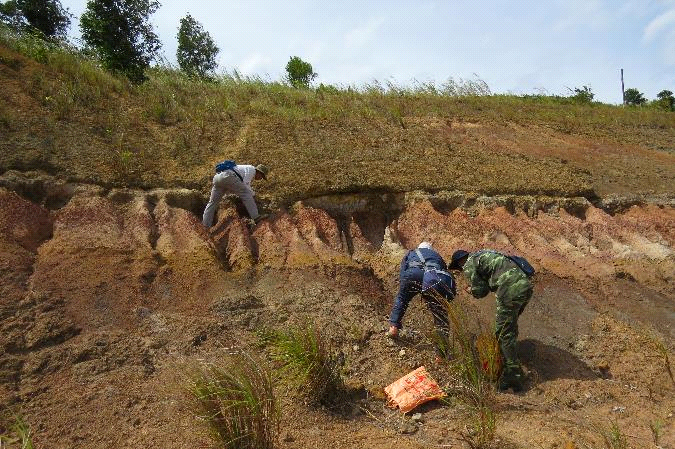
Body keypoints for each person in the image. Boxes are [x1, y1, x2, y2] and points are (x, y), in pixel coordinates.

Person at [448, 249, 534, 392]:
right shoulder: (483, 255)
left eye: (459, 268)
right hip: (525, 286)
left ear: (459, 263)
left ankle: (513, 375)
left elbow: (480, 291)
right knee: (509, 327)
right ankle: (512, 368)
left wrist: (471, 290)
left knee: (503, 331)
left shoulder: (469, 263)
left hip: (509, 289)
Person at [387, 242, 456, 357]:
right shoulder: (437, 255)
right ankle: (441, 354)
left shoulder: (412, 253)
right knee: (440, 315)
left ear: (420, 248)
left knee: (402, 299)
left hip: (413, 274)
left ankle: (393, 327)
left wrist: (405, 287)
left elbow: (403, 270)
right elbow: (444, 272)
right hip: (433, 280)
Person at [202, 163, 269, 228]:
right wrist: (253, 195)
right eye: (261, 176)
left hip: (217, 177)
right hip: (228, 176)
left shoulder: (242, 169)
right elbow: (245, 185)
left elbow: (234, 187)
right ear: (259, 172)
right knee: (246, 193)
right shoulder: (252, 169)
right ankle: (256, 217)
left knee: (212, 202)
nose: (260, 179)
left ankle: (205, 225)